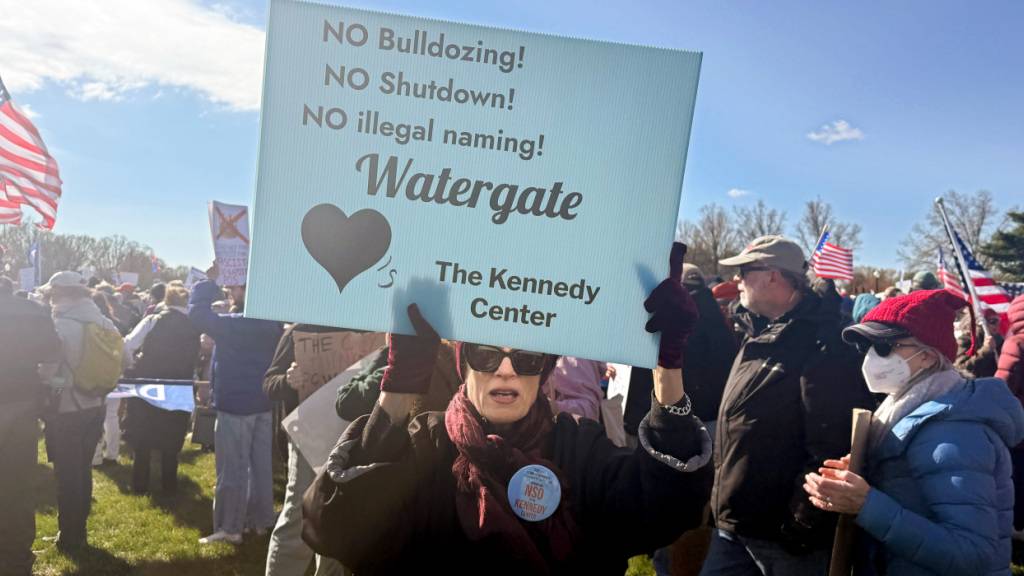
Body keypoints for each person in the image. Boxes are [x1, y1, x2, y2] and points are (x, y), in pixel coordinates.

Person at [302, 244, 713, 575]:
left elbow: (665, 508)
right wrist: (398, 387)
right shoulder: (425, 446)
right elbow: (337, 527)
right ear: (463, 367)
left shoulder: (577, 446)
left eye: (527, 359)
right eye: (484, 355)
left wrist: (667, 370)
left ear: (544, 373)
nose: (505, 371)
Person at [805, 289, 1024, 574]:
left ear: (928, 357)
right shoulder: (907, 407)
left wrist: (867, 505)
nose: (871, 357)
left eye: (883, 347)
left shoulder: (954, 432)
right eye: (865, 346)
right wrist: (868, 474)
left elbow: (973, 552)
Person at [701, 236, 874, 575]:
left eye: (744, 271)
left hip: (782, 539)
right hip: (734, 523)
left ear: (774, 276)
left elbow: (831, 445)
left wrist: (800, 523)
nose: (736, 280)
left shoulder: (824, 343)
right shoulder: (758, 330)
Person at [263, 324, 382, 576]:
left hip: (354, 439)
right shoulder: (302, 329)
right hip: (310, 439)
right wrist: (287, 379)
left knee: (340, 521)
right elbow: (269, 382)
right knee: (299, 517)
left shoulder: (376, 329)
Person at [190, 269, 283, 544]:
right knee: (260, 466)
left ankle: (230, 527)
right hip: (262, 402)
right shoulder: (271, 322)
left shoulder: (234, 324)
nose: (230, 292)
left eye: (234, 288)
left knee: (232, 469)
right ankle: (261, 520)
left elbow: (196, 313)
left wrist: (210, 280)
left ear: (246, 292)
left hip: (235, 404)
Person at [41, 271, 120, 553]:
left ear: (58, 294)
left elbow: (49, 371)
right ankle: (78, 531)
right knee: (82, 472)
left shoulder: (60, 325)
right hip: (95, 407)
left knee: (67, 475)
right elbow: (125, 359)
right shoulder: (104, 321)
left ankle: (70, 535)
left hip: (67, 410)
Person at [0, 276, 61, 574]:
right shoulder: (34, 312)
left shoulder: (33, 311)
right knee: (17, 484)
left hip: (19, 404)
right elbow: (53, 356)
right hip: (23, 407)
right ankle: (17, 556)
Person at [122, 282, 201, 494]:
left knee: (143, 434)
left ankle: (140, 484)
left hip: (149, 383)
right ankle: (169, 484)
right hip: (179, 385)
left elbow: (128, 345)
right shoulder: (194, 326)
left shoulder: (153, 320)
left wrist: (133, 365)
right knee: (172, 434)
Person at [996, 295, 1024, 534]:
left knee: (1017, 475)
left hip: (1019, 428)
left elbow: (1002, 387)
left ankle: (1017, 525)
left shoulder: (1016, 343)